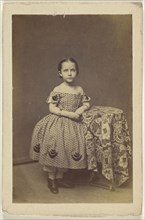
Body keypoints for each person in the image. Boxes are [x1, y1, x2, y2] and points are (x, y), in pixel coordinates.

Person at [30, 58, 91, 194]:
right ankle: (51, 178)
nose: (69, 73)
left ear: (77, 72)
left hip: (73, 124)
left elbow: (86, 103)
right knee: (55, 146)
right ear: (60, 73)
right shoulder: (58, 89)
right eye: (66, 70)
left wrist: (79, 110)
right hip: (58, 121)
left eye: (73, 70)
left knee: (68, 149)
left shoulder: (79, 89)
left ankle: (60, 178)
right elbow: (52, 107)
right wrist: (67, 114)